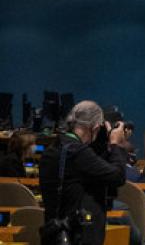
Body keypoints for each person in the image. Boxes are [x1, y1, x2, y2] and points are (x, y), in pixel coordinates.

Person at [38, 102, 129, 245]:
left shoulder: (52, 150)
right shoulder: (78, 154)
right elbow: (118, 176)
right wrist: (116, 145)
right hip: (78, 235)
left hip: (55, 232)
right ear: (95, 127)